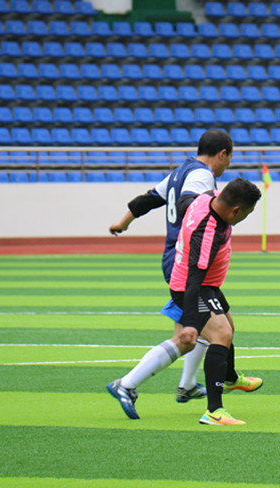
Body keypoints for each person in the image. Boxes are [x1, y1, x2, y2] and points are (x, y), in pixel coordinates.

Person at [107, 178, 263, 425]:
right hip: (194, 287)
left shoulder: (205, 198)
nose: (245, 217)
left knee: (228, 328)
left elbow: (182, 200)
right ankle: (214, 411)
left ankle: (230, 378)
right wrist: (190, 321)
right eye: (247, 213)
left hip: (207, 284)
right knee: (220, 334)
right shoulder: (207, 233)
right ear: (235, 211)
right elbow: (194, 280)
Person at [108, 129, 247, 403]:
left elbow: (148, 199)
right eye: (229, 159)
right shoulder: (202, 175)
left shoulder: (178, 173)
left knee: (203, 328)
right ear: (222, 154)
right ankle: (127, 384)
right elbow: (188, 206)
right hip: (186, 260)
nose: (227, 165)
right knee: (204, 330)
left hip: (175, 257)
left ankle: (187, 385)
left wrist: (123, 222)